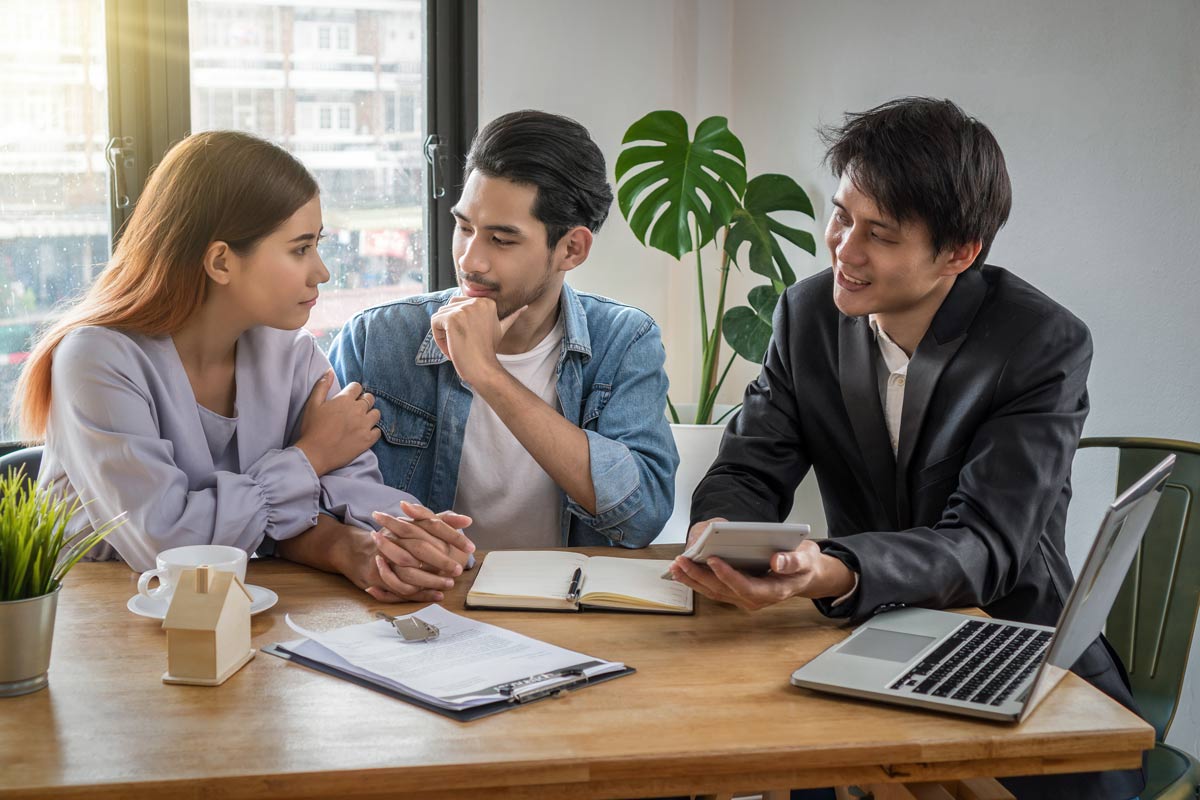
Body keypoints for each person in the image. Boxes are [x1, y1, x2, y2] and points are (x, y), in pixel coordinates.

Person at [670, 98, 1144, 800]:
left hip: (1012, 649)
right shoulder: (806, 316)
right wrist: (722, 536)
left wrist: (830, 569)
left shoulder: (1039, 342)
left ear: (960, 252)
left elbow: (984, 544)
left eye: (880, 235)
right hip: (855, 646)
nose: (844, 249)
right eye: (841, 215)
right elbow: (748, 465)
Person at [16, 130, 472, 603]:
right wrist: (310, 456)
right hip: (103, 625)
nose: (322, 272)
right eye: (300, 249)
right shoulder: (96, 361)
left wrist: (414, 536)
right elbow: (169, 547)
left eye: (318, 244)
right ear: (221, 261)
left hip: (238, 612)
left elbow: (349, 493)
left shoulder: (290, 352)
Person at [328, 110, 678, 599]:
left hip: (568, 614)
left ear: (572, 249)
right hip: (421, 606)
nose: (471, 259)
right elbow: (311, 505)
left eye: (501, 239)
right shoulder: (375, 340)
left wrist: (488, 375)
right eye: (464, 227)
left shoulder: (623, 341)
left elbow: (642, 518)